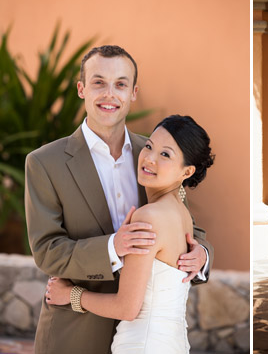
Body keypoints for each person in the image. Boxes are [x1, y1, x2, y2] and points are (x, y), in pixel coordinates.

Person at [25, 45, 212, 354]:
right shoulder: (44, 163)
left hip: (143, 336)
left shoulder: (154, 156)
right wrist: (114, 246)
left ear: (133, 92)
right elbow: (47, 251)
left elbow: (187, 226)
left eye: (120, 84)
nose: (109, 94)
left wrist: (202, 255)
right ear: (81, 88)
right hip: (75, 335)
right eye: (99, 82)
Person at [46, 114, 214, 353]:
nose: (149, 159)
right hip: (172, 342)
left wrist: (71, 294)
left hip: (141, 343)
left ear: (186, 172)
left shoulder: (149, 217)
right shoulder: (183, 216)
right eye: (148, 146)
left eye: (165, 154)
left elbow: (127, 308)